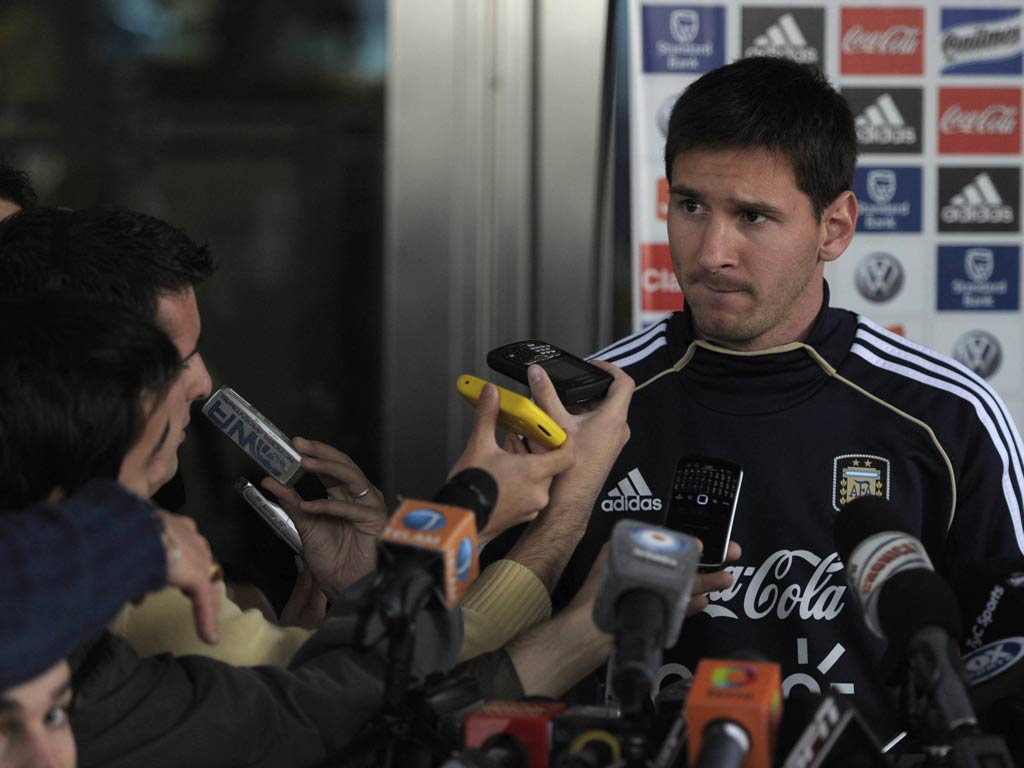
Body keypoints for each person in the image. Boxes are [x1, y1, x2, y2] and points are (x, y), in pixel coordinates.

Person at [551, 56, 1024, 734]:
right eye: (691, 206)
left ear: (834, 227)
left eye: (752, 216)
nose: (712, 251)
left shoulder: (948, 417)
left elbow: (1003, 672)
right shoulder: (592, 407)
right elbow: (502, 662)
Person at [0, 204, 579, 669]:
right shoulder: (103, 557)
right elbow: (346, 699)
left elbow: (281, 711)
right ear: (87, 370)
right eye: (176, 361)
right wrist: (525, 515)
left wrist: (337, 613)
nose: (203, 385)